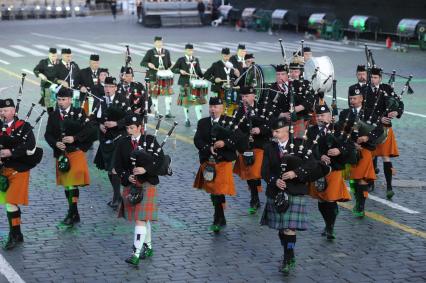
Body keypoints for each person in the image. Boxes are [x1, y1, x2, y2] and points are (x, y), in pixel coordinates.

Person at [260, 117, 327, 275]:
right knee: (281, 229)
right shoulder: (269, 147)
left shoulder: (299, 144)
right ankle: (287, 251)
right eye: (273, 131)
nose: (274, 134)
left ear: (286, 130)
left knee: (289, 228)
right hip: (276, 191)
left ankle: (288, 257)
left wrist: (295, 173)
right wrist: (274, 180)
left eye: (277, 131)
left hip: (295, 190)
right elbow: (264, 171)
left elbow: (312, 164)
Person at [115, 114, 162, 266]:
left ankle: (135, 253)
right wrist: (127, 176)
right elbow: (118, 165)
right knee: (142, 218)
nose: (129, 131)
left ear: (140, 127)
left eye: (132, 128)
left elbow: (161, 162)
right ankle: (148, 246)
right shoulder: (123, 143)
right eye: (127, 128)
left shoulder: (150, 141)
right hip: (132, 184)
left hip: (147, 183)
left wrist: (145, 169)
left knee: (140, 219)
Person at [44, 88, 96, 227]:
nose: (61, 103)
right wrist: (55, 143)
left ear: (70, 100)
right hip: (61, 154)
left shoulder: (79, 112)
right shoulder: (54, 115)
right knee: (67, 186)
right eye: (59, 100)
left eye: (63, 100)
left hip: (75, 152)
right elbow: (47, 134)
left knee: (72, 183)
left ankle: (71, 213)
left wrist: (75, 138)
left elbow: (90, 129)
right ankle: (75, 213)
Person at [307, 103, 352, 240]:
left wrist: (339, 150)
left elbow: (349, 146)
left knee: (330, 199)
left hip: (334, 168)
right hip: (318, 169)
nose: (320, 118)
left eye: (323, 115)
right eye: (318, 115)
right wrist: (319, 156)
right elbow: (307, 148)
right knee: (321, 200)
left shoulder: (338, 129)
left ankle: (330, 227)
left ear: (330, 116)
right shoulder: (312, 130)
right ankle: (327, 223)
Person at [337, 85, 383, 217]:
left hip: (365, 149)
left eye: (355, 98)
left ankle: (360, 205)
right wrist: (351, 143)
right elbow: (341, 131)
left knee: (361, 178)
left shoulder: (370, 112)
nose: (352, 101)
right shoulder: (345, 113)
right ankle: (358, 199)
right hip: (350, 149)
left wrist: (367, 137)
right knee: (353, 178)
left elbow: (379, 130)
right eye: (350, 98)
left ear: (361, 98)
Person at [193, 97, 238, 232]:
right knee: (213, 190)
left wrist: (225, 143)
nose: (213, 109)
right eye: (211, 107)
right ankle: (220, 214)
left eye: (216, 107)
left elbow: (238, 139)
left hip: (223, 161)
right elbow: (197, 140)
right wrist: (208, 148)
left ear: (222, 108)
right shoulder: (203, 122)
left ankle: (217, 218)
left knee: (218, 189)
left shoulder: (230, 122)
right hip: (208, 161)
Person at [0, 99, 36, 250]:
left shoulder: (24, 126)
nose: (3, 113)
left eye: (6, 110)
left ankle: (13, 235)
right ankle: (18, 233)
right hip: (3, 170)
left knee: (10, 201)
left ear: (14, 111)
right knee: (11, 203)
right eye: (1, 111)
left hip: (19, 169)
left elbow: (31, 147)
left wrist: (11, 152)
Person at [92, 76, 130, 210]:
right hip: (105, 140)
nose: (108, 89)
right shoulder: (101, 100)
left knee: (114, 170)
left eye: (110, 87)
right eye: (106, 87)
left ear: (116, 88)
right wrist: (100, 125)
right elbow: (93, 118)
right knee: (109, 170)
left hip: (119, 138)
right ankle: (117, 196)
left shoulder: (123, 100)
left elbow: (130, 119)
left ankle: (116, 198)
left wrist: (116, 123)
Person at [233, 86, 271, 214]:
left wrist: (260, 130)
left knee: (255, 172)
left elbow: (271, 124)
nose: (244, 99)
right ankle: (254, 198)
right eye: (242, 97)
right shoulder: (238, 111)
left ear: (254, 96)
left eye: (247, 96)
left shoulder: (263, 107)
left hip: (260, 145)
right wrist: (243, 139)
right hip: (245, 146)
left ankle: (266, 197)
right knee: (250, 174)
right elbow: (235, 128)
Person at [368, 67, 404, 199]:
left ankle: (389, 186)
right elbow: (363, 111)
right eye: (371, 77)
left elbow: (399, 103)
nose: (373, 80)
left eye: (376, 77)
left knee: (385, 157)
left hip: (385, 128)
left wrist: (397, 112)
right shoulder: (365, 90)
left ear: (380, 78)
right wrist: (378, 118)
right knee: (370, 156)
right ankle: (370, 181)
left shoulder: (387, 89)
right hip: (370, 128)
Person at [140, 36, 174, 118]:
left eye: (161, 42)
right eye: (157, 42)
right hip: (153, 77)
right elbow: (142, 63)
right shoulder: (150, 52)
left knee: (168, 95)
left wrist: (172, 66)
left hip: (165, 77)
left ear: (162, 42)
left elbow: (169, 64)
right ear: (154, 43)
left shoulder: (166, 52)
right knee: (155, 95)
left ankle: (168, 112)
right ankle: (156, 112)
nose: (159, 44)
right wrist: (148, 64)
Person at [171, 43, 204, 127]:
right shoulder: (181, 60)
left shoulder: (196, 59)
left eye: (191, 50)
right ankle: (187, 119)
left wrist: (203, 77)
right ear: (185, 50)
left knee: (198, 103)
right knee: (186, 103)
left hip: (195, 84)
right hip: (185, 84)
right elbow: (173, 69)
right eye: (189, 50)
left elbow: (199, 72)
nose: (190, 51)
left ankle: (200, 121)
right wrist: (180, 71)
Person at [204, 48, 240, 116]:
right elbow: (206, 75)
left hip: (230, 89)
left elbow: (237, 77)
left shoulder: (232, 65)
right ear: (222, 55)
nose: (226, 58)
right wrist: (214, 79)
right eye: (224, 56)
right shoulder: (216, 65)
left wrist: (237, 74)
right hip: (218, 89)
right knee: (217, 106)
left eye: (227, 56)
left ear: (230, 55)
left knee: (230, 106)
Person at [33, 47, 58, 113]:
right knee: (50, 105)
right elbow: (36, 70)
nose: (54, 57)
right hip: (47, 86)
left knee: (59, 104)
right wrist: (41, 75)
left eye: (55, 56)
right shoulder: (44, 62)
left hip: (58, 86)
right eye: (52, 56)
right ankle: (52, 118)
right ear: (49, 55)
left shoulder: (59, 62)